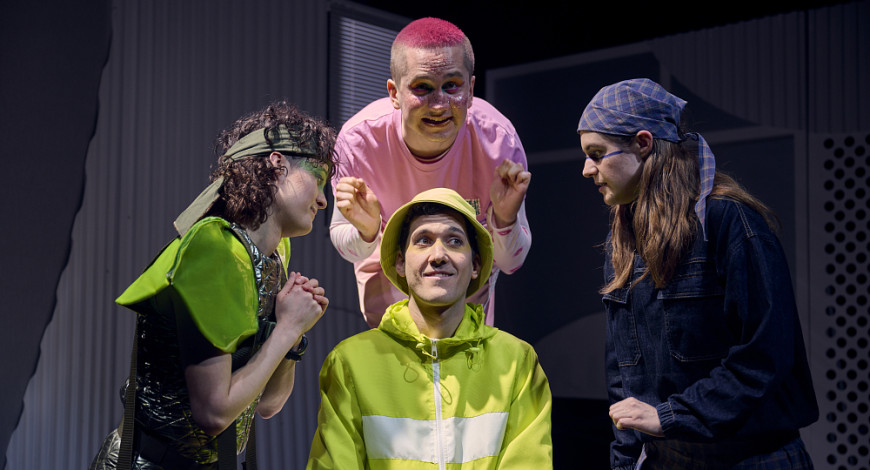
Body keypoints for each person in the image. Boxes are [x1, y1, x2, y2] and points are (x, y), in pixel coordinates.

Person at [576, 78, 819, 469]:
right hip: (667, 458)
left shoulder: (727, 221)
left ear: (643, 143)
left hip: (752, 458)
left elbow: (764, 356)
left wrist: (672, 416)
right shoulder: (622, 241)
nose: (587, 169)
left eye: (597, 154)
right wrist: (624, 461)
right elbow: (624, 380)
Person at [90, 101, 336, 469]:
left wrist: (293, 334)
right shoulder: (216, 247)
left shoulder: (275, 256)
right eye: (318, 177)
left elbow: (268, 404)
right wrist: (287, 328)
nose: (322, 199)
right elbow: (214, 413)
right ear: (277, 165)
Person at [307, 188, 552, 469]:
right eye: (423, 240)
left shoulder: (517, 362)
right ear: (400, 262)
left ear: (475, 265)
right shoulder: (350, 362)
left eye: (454, 241)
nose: (438, 255)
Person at [330, 17, 532, 328]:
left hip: (467, 316)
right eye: (422, 88)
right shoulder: (359, 142)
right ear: (394, 93)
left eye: (452, 86)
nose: (439, 105)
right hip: (388, 309)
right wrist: (366, 232)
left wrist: (504, 223)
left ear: (471, 89)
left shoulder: (498, 141)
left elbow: (511, 262)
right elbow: (346, 245)